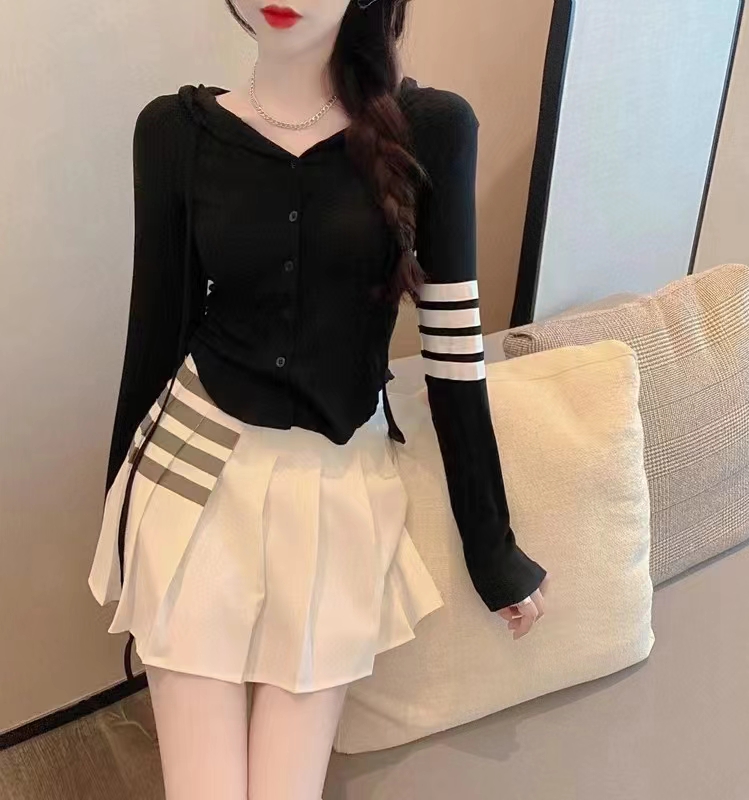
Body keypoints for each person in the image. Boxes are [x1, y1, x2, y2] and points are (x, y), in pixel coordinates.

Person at [87, 0, 549, 797]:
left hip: (334, 492)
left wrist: (493, 549)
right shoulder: (173, 132)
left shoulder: (433, 130)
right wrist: (120, 523)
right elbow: (155, 333)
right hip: (190, 475)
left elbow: (453, 352)